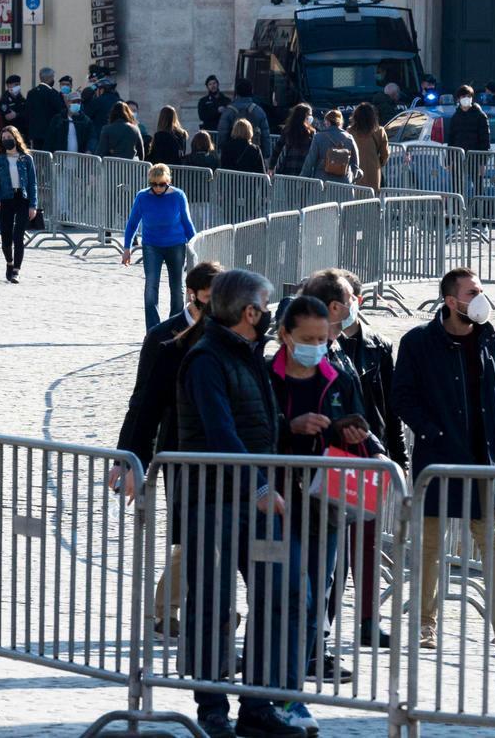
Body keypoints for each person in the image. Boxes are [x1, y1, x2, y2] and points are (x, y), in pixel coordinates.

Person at [177, 268, 310, 738]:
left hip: (258, 505)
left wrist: (306, 428)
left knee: (280, 594)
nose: (272, 314)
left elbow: (261, 423)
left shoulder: (250, 355)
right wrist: (257, 485)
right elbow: (220, 433)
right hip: (214, 503)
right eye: (267, 305)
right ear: (250, 312)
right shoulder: (206, 358)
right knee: (213, 606)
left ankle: (259, 703)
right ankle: (211, 708)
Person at [393, 267, 495, 656]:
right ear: (451, 302)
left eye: (481, 291)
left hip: (484, 459)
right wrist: (432, 432)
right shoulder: (418, 342)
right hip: (439, 459)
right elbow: (401, 396)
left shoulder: (492, 340)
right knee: (431, 545)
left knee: (493, 543)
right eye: (472, 292)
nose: (480, 298)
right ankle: (424, 625)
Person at [268, 294, 382, 684]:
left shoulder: (341, 377)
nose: (317, 347)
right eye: (309, 338)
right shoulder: (266, 377)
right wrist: (291, 427)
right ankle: (282, 662)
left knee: (322, 581)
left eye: (323, 339)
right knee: (291, 584)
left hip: (329, 496)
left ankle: (312, 654)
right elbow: (255, 433)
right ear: (285, 335)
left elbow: (365, 430)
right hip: (279, 497)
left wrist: (351, 432)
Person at [114, 259, 224, 637]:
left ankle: (196, 610)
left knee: (209, 534)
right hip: (178, 449)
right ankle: (173, 611)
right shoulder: (164, 336)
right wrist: (130, 460)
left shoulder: (229, 334)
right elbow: (143, 403)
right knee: (194, 533)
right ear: (191, 294)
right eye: (209, 299)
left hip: (225, 449)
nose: (215, 308)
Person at [322, 268, 407, 647]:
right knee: (334, 547)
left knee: (368, 543)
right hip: (334, 457)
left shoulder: (375, 346)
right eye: (351, 299)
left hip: (368, 456)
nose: (356, 305)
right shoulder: (317, 343)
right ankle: (323, 622)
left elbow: (388, 411)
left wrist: (394, 457)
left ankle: (368, 621)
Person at [121, 163, 197, 330]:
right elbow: (132, 223)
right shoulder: (142, 197)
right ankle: (153, 330)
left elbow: (187, 223)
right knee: (151, 286)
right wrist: (126, 248)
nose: (157, 188)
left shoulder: (178, 196)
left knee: (177, 288)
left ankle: (174, 327)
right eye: (153, 184)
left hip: (176, 244)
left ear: (168, 181)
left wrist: (196, 247)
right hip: (151, 245)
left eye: (161, 184)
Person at [0, 126, 39, 283]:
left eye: (9, 137)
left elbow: (33, 183)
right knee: (6, 239)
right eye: (3, 139)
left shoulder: (26, 159)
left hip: (21, 198)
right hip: (5, 199)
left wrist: (33, 204)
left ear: (16, 138)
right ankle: (9, 263)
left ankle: (16, 270)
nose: (6, 140)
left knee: (18, 236)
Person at [216, 77, 272, 159]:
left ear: (237, 93)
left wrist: (223, 151)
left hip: (232, 154)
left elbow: (222, 134)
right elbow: (265, 135)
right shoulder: (259, 111)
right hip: (253, 153)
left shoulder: (228, 111)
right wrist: (266, 153)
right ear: (251, 91)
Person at [301, 109, 362, 184]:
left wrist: (302, 180)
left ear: (327, 122)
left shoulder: (318, 137)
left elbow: (310, 161)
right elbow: (355, 164)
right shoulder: (349, 138)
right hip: (344, 185)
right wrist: (352, 179)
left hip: (322, 183)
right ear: (340, 122)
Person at [349, 102, 389, 192]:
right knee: (373, 197)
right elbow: (385, 154)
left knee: (355, 199)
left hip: (355, 170)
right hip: (374, 168)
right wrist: (380, 163)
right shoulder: (379, 131)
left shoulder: (350, 132)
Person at [25, 67, 65, 150]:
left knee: (38, 159)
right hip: (50, 134)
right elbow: (60, 111)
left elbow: (27, 114)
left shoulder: (31, 93)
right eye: (53, 77)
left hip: (35, 134)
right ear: (49, 78)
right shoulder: (53, 93)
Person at [271, 103, 316, 176]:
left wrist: (271, 166)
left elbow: (277, 149)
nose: (311, 117)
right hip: (304, 169)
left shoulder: (287, 130)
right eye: (309, 114)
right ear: (303, 116)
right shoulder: (311, 132)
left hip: (288, 167)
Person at [447, 85, 490, 152]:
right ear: (458, 99)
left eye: (469, 96)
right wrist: (449, 159)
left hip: (475, 157)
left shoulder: (480, 116)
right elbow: (451, 139)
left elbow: (485, 139)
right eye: (463, 96)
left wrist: (483, 157)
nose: (466, 98)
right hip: (459, 156)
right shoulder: (455, 117)